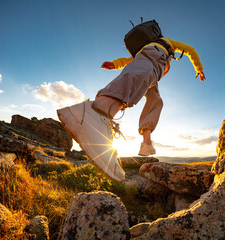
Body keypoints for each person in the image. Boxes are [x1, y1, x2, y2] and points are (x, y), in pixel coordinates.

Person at [57, 33, 205, 183]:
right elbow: (190, 50)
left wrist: (115, 64)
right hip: (155, 62)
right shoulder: (166, 43)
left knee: (155, 100)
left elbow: (131, 61)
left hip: (154, 73)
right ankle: (97, 112)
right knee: (138, 76)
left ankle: (146, 143)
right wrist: (199, 68)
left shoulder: (145, 51)